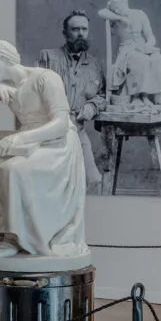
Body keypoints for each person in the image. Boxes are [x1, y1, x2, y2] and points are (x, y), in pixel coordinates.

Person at [0, 40, 88, 259]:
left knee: (12, 170)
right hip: (27, 141)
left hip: (55, 142)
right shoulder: (9, 87)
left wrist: (20, 138)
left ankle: (15, 237)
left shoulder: (45, 78)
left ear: (3, 59)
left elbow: (60, 123)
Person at [39, 11, 107, 192]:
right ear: (65, 33)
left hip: (78, 130)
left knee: (93, 180)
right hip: (49, 133)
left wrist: (91, 107)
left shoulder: (95, 65)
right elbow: (32, 92)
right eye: (75, 29)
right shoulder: (47, 58)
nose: (80, 33)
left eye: (84, 29)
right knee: (52, 182)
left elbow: (102, 95)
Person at [97, 0, 161, 106]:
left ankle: (158, 97)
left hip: (143, 47)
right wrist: (119, 18)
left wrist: (148, 46)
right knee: (140, 60)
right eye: (114, 8)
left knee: (159, 59)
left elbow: (150, 37)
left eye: (118, 7)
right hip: (126, 50)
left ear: (125, 3)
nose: (116, 10)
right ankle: (139, 96)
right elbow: (101, 12)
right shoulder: (115, 18)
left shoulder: (140, 14)